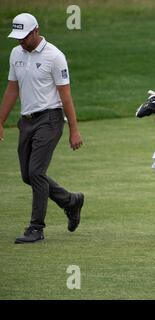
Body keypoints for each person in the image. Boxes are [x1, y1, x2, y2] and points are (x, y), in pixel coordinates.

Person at [0, 13, 84, 244]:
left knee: (36, 172)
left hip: (50, 119)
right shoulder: (16, 53)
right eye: (17, 37)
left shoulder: (54, 56)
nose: (20, 41)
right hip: (26, 121)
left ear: (36, 31)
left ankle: (36, 228)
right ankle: (70, 201)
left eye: (24, 36)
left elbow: (66, 97)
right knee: (28, 175)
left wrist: (74, 130)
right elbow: (12, 89)